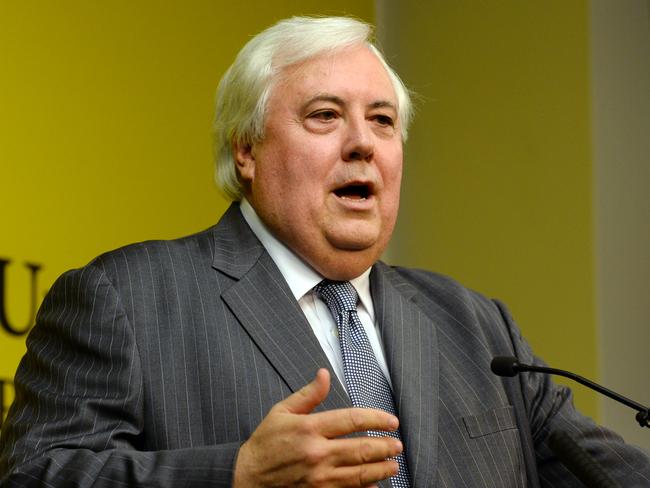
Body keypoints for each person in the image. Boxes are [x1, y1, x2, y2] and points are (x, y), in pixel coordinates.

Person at [0, 16, 648, 488]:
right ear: (245, 150)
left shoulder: (479, 328)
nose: (364, 143)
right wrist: (237, 474)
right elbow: (35, 475)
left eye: (383, 120)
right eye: (325, 115)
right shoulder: (128, 300)